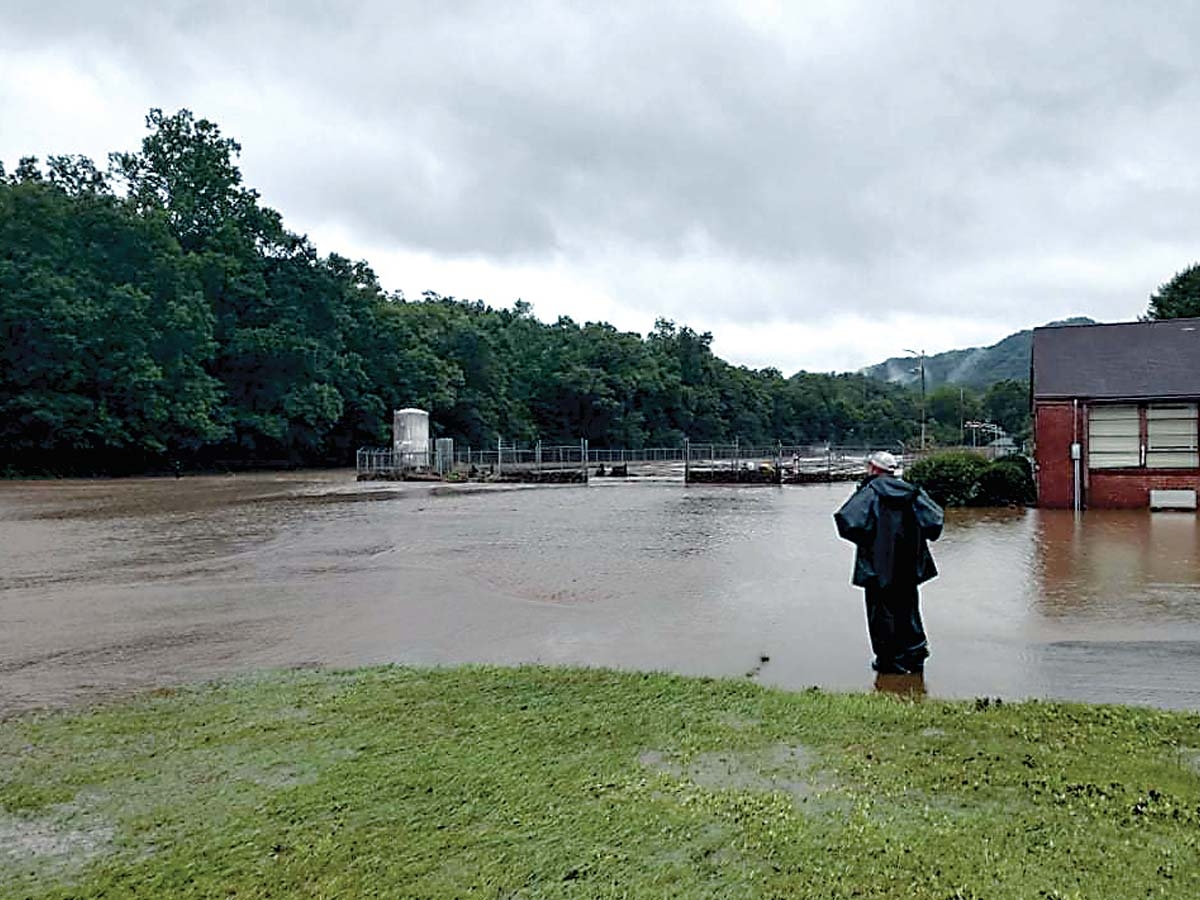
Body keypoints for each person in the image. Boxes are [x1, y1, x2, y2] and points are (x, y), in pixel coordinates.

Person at [833, 450, 943, 674]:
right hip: (909, 565)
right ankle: (915, 656)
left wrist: (868, 541)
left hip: (877, 566)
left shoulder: (870, 491)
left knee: (881, 614)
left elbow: (847, 522)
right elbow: (934, 522)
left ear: (874, 469)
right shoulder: (913, 492)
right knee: (909, 609)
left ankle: (889, 662)